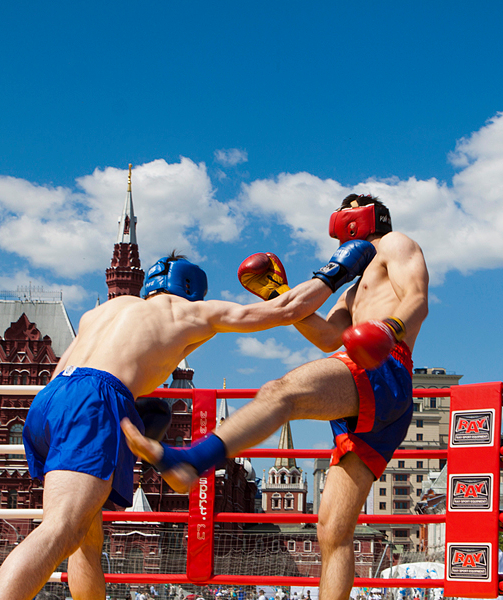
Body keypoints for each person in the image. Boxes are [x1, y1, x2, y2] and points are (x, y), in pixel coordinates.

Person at [0, 241, 376, 600]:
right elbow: (287, 309)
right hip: (94, 400)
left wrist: (123, 408)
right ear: (192, 288)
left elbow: (69, 372)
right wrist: (339, 269)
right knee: (61, 530)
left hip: (50, 402)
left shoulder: (103, 311)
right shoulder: (186, 310)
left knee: (87, 535)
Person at [123, 194, 429, 600]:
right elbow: (326, 337)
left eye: (349, 207)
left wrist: (389, 329)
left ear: (359, 218)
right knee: (333, 532)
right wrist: (276, 292)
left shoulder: (396, 244)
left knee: (280, 392)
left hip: (382, 365)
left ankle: (191, 460)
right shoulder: (354, 292)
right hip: (374, 393)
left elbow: (417, 300)